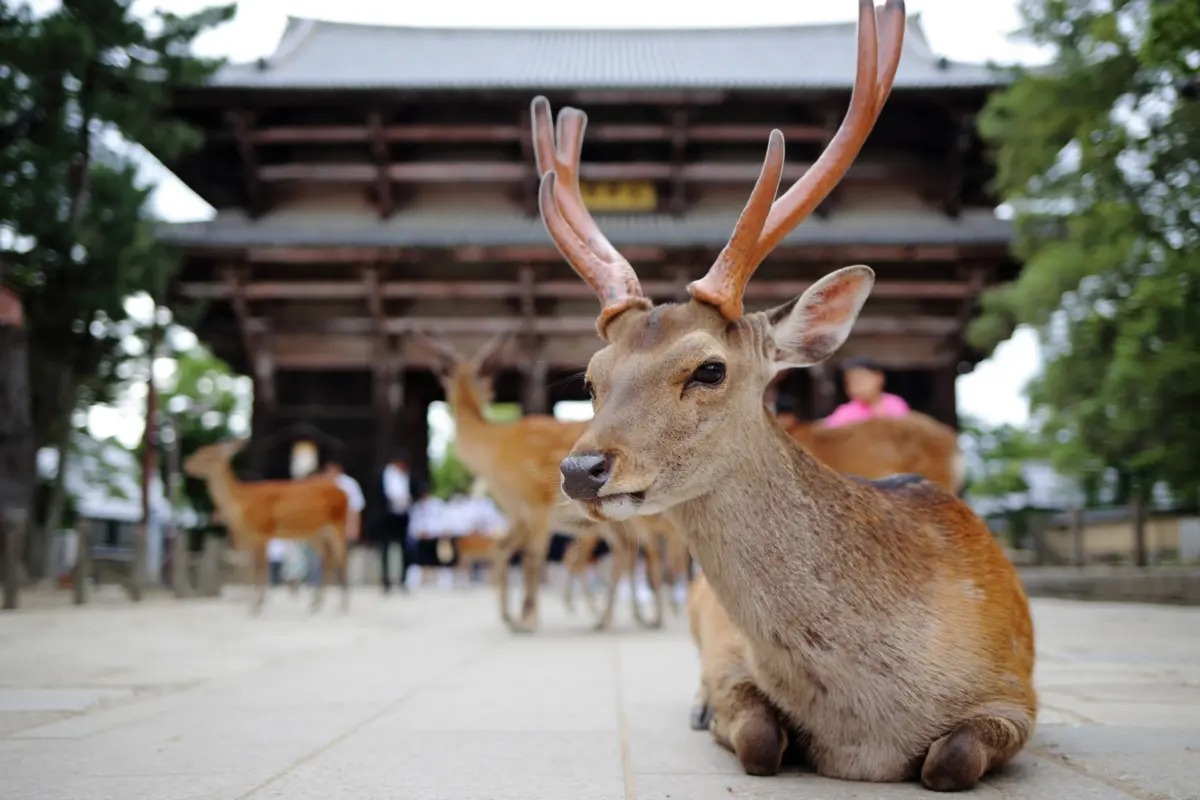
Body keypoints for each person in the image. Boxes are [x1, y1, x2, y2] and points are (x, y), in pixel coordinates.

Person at [821, 356, 910, 429]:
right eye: (849, 381)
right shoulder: (845, 413)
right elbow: (826, 429)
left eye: (860, 379)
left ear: (879, 378)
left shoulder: (895, 404)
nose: (856, 386)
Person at [378, 453, 418, 593]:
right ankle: (385, 581)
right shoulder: (385, 473)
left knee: (404, 548)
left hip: (402, 514)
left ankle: (403, 580)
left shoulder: (406, 476)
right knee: (385, 548)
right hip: (387, 515)